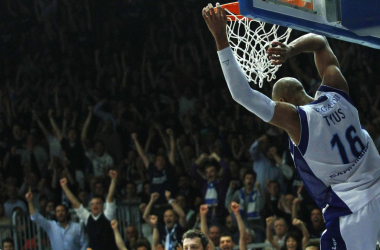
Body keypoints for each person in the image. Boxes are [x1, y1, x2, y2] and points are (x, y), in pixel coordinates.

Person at [202, 3, 380, 249]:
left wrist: (221, 38)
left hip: (353, 209)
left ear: (283, 102)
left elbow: (242, 94)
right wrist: (290, 49)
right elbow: (320, 42)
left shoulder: (297, 120)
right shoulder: (338, 91)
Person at [61, 170, 118, 250]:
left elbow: (110, 197)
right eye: (92, 204)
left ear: (102, 205)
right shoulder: (87, 217)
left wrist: (113, 180)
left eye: (98, 203)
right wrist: (64, 187)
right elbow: (75, 202)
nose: (95, 206)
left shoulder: (108, 215)